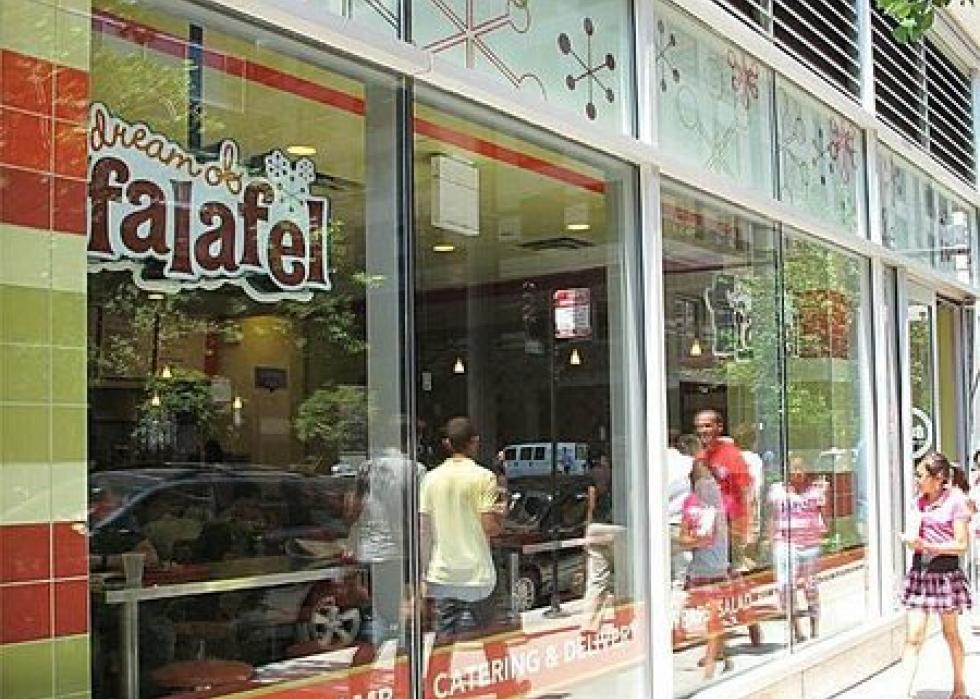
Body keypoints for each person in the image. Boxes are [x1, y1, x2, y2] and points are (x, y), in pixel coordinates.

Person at [420, 417, 505, 641]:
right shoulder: (484, 477)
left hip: (442, 574)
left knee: (443, 643)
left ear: (447, 444)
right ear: (474, 442)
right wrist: (502, 515)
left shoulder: (430, 479)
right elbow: (490, 527)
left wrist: (423, 573)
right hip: (477, 575)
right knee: (490, 640)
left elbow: (424, 531)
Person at [899, 451, 972, 699]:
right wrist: (911, 540)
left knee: (950, 634)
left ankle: (959, 686)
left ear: (938, 477)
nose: (917, 480)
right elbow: (915, 532)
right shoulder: (917, 502)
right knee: (913, 637)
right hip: (920, 574)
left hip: (945, 575)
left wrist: (929, 546)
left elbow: (961, 545)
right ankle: (903, 693)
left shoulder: (956, 501)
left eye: (921, 475)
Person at [679, 458, 732, 679]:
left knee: (714, 617)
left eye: (709, 478)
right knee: (710, 617)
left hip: (718, 567)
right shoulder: (691, 502)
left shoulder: (721, 501)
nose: (706, 484)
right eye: (701, 478)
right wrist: (696, 541)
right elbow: (683, 537)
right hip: (699, 567)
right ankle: (724, 655)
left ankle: (710, 665)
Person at [768, 457, 827, 642]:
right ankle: (796, 630)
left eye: (800, 469)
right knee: (786, 587)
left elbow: (825, 517)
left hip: (810, 545)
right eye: (793, 469)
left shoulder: (815, 491)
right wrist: (770, 540)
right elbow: (771, 516)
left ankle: (814, 628)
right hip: (785, 543)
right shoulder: (776, 491)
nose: (797, 473)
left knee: (810, 586)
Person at [693, 410, 755, 571]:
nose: (702, 430)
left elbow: (745, 491)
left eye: (707, 426)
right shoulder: (700, 456)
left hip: (729, 525)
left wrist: (744, 529)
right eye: (699, 427)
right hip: (707, 525)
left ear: (719, 427)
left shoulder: (731, 454)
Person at [582, 454, 616, 635]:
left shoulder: (594, 475)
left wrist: (587, 526)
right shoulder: (625, 472)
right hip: (618, 525)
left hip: (598, 525)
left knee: (596, 579)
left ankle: (589, 623)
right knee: (626, 577)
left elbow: (591, 503)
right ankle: (624, 620)